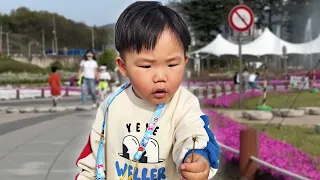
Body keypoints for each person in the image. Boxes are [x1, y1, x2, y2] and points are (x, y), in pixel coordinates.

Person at [75, 2, 220, 180]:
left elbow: (193, 133)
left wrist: (197, 158)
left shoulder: (184, 104)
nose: (160, 76)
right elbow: (92, 159)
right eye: (146, 65)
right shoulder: (112, 105)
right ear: (123, 66)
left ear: (185, 61)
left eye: (172, 64)